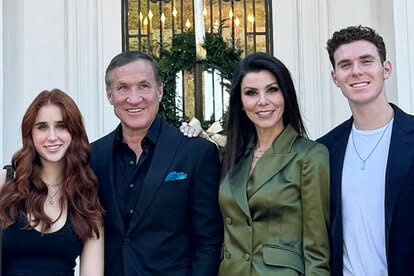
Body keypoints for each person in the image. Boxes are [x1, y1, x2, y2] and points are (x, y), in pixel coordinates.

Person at [182, 52, 330, 275]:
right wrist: (198, 142)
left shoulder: (310, 156)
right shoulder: (233, 157)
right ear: (240, 103)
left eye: (272, 89)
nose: (263, 101)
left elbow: (317, 253)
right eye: (251, 93)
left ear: (285, 95)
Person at [90, 51, 223, 276]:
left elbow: (209, 241)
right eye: (123, 88)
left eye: (144, 86)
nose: (134, 98)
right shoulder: (93, 155)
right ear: (109, 96)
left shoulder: (195, 152)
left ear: (159, 92)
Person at [318, 25, 414, 276]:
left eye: (366, 61)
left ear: (386, 69)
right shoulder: (324, 150)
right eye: (345, 65)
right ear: (335, 77)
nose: (356, 71)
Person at [0, 89, 104, 276]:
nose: (52, 136)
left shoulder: (87, 198)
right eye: (42, 127)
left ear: (74, 132)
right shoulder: (5, 183)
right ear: (29, 134)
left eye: (61, 126)